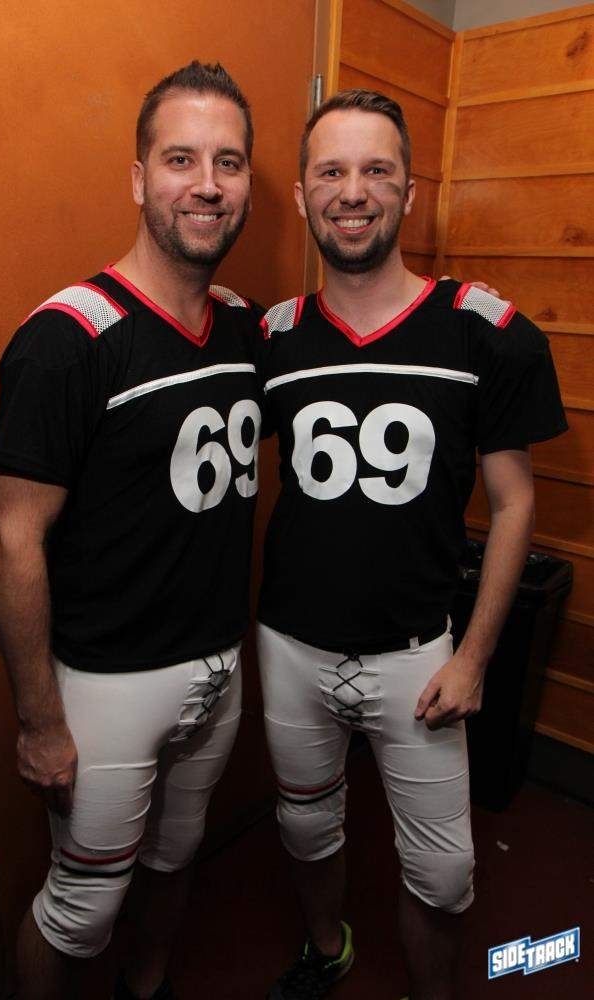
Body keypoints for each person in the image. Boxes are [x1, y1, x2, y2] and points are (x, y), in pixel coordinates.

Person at [255, 90, 567, 1000]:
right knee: (305, 828)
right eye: (331, 172)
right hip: (290, 643)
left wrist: (474, 658)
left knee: (443, 871)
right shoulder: (272, 336)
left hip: (419, 653)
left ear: (410, 192)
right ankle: (328, 948)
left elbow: (514, 502)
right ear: (305, 195)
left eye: (376, 170)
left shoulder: (480, 330)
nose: (353, 192)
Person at [0, 62, 262, 1000]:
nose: (207, 184)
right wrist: (39, 722)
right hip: (108, 686)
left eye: (229, 162)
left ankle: (147, 989)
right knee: (80, 909)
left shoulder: (242, 327)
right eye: (181, 159)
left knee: (176, 859)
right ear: (140, 178)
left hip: (219, 666)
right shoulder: (67, 338)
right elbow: (9, 539)